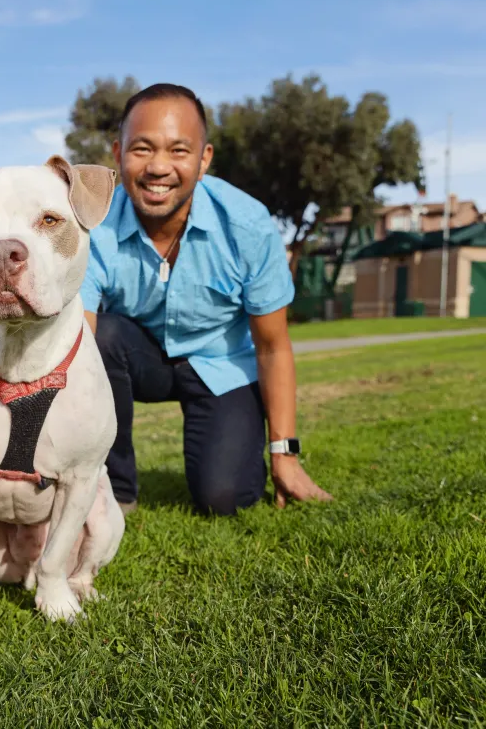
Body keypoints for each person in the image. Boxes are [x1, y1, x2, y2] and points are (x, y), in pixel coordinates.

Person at [81, 83, 333, 517]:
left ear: (204, 159)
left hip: (222, 366)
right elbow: (77, 344)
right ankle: (113, 491)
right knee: (99, 339)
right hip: (139, 358)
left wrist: (285, 455)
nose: (159, 167)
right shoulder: (93, 226)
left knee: (225, 498)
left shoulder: (247, 224)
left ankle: (232, 453)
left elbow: (273, 347)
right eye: (142, 149)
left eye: (179, 151)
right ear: (118, 151)